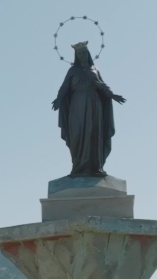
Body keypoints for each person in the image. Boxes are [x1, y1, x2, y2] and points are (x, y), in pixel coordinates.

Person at [51, 41, 126, 177]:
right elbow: (64, 87)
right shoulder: (73, 70)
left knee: (94, 133)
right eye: (79, 54)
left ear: (88, 53)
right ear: (76, 56)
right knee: (78, 134)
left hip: (94, 105)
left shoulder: (94, 69)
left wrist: (112, 95)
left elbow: (101, 85)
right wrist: (59, 99)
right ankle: (78, 166)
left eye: (84, 52)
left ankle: (95, 167)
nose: (82, 56)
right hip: (77, 105)